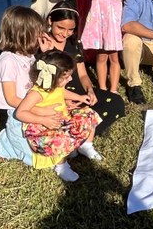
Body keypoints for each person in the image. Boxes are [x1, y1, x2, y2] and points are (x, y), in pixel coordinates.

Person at [15, 50, 102, 182]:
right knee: (61, 139)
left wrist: (79, 97)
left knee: (88, 113)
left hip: (60, 121)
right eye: (66, 77)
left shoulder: (55, 85)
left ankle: (86, 146)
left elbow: (63, 92)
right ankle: (61, 166)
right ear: (52, 77)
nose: (70, 79)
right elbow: (20, 112)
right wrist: (43, 120)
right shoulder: (36, 93)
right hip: (43, 129)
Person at [67, 0, 140, 94]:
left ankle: (113, 89)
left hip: (113, 21)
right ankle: (102, 88)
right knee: (101, 57)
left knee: (114, 57)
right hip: (98, 21)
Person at [45, 0, 126, 135]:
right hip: (56, 95)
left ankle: (83, 130)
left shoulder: (74, 43)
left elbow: (82, 75)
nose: (65, 34)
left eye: (70, 29)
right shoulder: (42, 45)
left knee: (117, 102)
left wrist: (90, 90)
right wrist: (63, 99)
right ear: (50, 21)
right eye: (60, 28)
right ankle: (86, 130)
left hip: (79, 93)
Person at [0, 6, 49, 166]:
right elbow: (11, 98)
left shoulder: (29, 55)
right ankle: (6, 143)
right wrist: (37, 110)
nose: (41, 36)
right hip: (17, 113)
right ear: (23, 34)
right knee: (36, 160)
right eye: (37, 33)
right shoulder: (8, 61)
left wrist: (45, 54)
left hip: (30, 106)